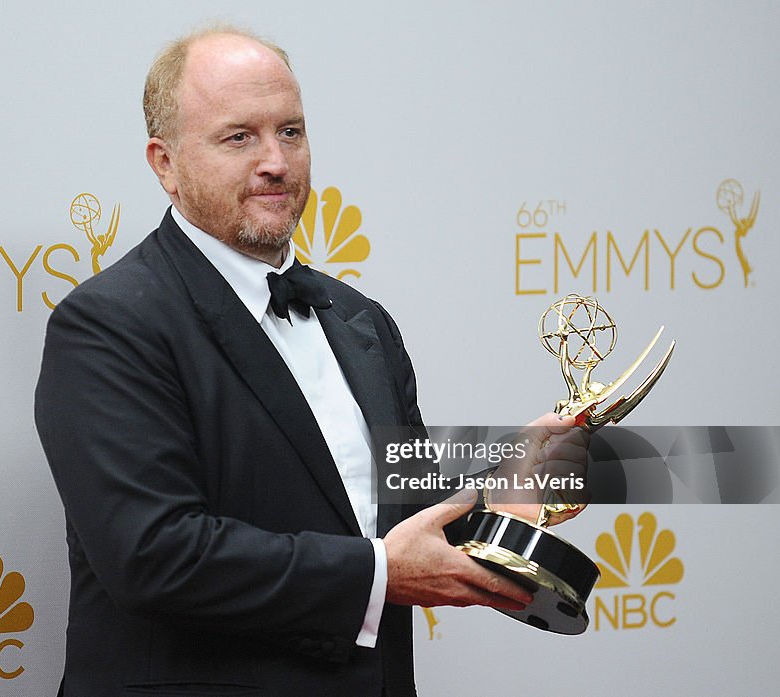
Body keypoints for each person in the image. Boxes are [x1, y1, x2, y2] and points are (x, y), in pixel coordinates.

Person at [35, 25, 583, 697]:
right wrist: (377, 574)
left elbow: (397, 512)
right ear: (165, 164)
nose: (275, 161)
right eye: (239, 137)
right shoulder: (108, 325)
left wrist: (501, 488)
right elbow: (154, 555)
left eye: (290, 132)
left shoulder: (362, 320)